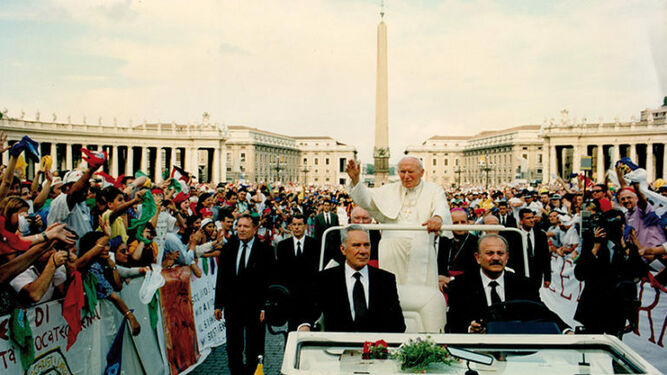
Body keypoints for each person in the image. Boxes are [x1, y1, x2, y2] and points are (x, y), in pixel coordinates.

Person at [345, 156, 451, 287]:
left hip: (420, 247)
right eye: (402, 172)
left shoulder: (434, 189)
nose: (406, 176)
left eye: (410, 172)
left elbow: (442, 207)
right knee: (391, 289)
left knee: (421, 291)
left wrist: (437, 218)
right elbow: (366, 200)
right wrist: (355, 180)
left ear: (422, 173)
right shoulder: (389, 189)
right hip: (392, 248)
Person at [446, 234, 570, 334]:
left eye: (500, 253)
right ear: (478, 258)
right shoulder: (460, 286)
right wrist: (470, 329)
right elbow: (452, 323)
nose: (496, 258)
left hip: (516, 352)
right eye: (490, 253)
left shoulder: (525, 285)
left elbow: (542, 312)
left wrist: (566, 331)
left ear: (507, 257)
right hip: (477, 352)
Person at [298, 225, 405, 333]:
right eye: (356, 245)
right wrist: (305, 326)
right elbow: (308, 312)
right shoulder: (325, 279)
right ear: (343, 249)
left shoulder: (385, 280)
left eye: (366, 245)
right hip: (337, 346)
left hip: (375, 346)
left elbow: (398, 324)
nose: (363, 251)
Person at [214, 214, 275, 375]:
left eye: (246, 226)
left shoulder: (266, 251)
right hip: (232, 306)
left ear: (255, 229)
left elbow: (269, 281)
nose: (241, 229)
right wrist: (218, 304)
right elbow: (222, 278)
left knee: (254, 346)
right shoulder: (229, 248)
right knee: (233, 346)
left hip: (255, 307)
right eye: (239, 226)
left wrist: (265, 307)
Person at [574, 209, 648, 337]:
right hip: (594, 306)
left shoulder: (628, 247)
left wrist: (627, 248)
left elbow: (641, 272)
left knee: (613, 345)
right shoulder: (592, 243)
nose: (617, 228)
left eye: (620, 225)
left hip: (617, 308)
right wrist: (595, 248)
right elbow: (579, 274)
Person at [275, 214, 320, 331]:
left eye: (299, 224)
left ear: (305, 226)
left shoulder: (315, 244)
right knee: (292, 331)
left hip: (309, 296)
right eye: (294, 224)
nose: (296, 227)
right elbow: (280, 272)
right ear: (290, 226)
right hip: (290, 296)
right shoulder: (282, 246)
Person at [437, 208, 478, 292]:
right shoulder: (443, 241)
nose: (460, 225)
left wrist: (452, 279)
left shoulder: (476, 242)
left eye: (463, 222)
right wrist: (440, 279)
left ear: (468, 223)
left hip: (466, 285)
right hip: (442, 284)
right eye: (455, 223)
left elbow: (475, 271)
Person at [512, 208, 551, 291]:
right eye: (528, 218)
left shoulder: (541, 235)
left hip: (536, 275)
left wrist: (547, 277)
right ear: (521, 221)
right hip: (520, 275)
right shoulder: (515, 236)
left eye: (532, 217)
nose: (532, 220)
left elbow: (546, 257)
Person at [313, 199, 342, 267]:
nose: (326, 207)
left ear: (330, 206)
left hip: (333, 245)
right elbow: (316, 233)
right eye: (325, 205)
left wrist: (338, 244)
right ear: (323, 206)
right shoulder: (318, 217)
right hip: (323, 244)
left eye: (328, 205)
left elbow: (337, 231)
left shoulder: (334, 216)